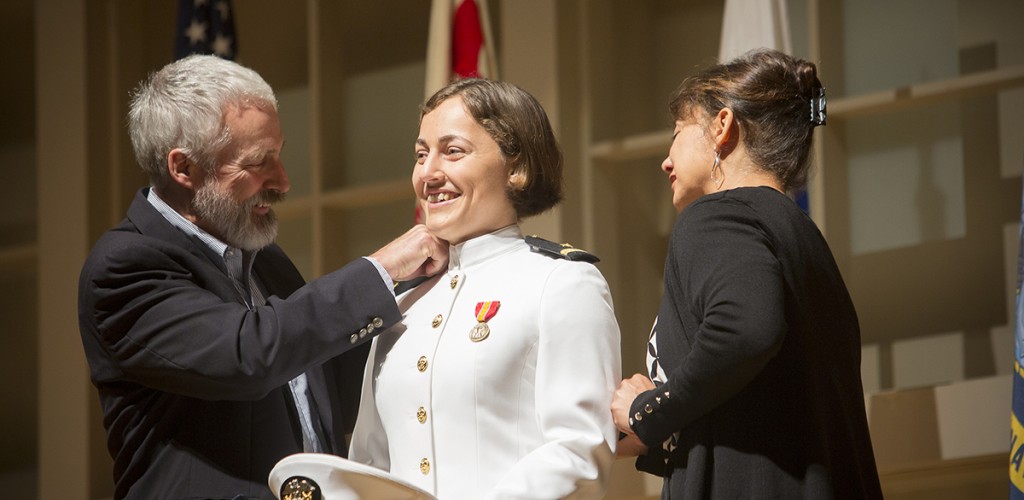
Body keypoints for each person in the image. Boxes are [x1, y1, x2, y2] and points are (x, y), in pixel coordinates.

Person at [77, 54, 447, 500]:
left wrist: (438, 293)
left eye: (280, 153)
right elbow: (249, 355)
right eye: (259, 162)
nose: (283, 181)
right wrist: (384, 268)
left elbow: (327, 367)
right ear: (184, 168)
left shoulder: (261, 256)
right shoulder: (123, 267)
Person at [611, 49, 883, 499]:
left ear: (722, 127)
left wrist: (649, 411)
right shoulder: (805, 240)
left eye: (677, 134)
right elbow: (769, 403)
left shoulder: (717, 216)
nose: (665, 161)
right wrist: (655, 434)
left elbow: (745, 329)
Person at [347, 78, 622, 499]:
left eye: (452, 151)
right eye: (421, 155)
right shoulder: (402, 300)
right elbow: (369, 461)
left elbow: (580, 450)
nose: (428, 173)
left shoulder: (562, 282)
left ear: (516, 167)